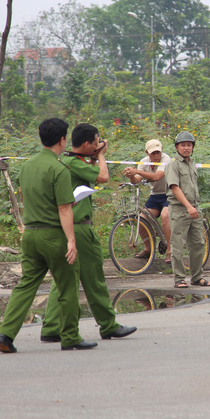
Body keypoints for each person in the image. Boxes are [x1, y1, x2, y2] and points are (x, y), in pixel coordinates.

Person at [0, 118, 96, 353]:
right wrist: (71, 240)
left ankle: (6, 333)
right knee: (68, 284)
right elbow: (64, 208)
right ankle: (70, 336)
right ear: (62, 140)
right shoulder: (58, 168)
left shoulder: (28, 165)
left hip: (30, 235)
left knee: (26, 285)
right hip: (52, 235)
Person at [41, 123, 136, 343]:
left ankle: (52, 326)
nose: (98, 143)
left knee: (63, 280)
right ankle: (108, 325)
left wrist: (93, 156)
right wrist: (101, 156)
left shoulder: (66, 160)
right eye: (96, 141)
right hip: (80, 228)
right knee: (94, 279)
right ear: (86, 144)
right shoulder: (73, 162)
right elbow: (103, 177)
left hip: (64, 227)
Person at [165, 131, 210, 288]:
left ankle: (197, 277)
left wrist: (194, 207)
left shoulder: (192, 163)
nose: (186, 148)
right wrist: (188, 206)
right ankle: (179, 278)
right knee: (178, 245)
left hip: (195, 208)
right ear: (177, 147)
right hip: (180, 209)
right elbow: (174, 187)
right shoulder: (173, 164)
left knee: (198, 244)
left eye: (189, 145)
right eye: (183, 145)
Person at [122, 139, 173, 263]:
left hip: (169, 193)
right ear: (147, 153)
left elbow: (157, 176)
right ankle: (149, 249)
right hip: (155, 195)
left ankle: (170, 251)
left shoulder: (166, 159)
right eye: (153, 153)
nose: (156, 156)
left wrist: (137, 171)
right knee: (142, 218)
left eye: (158, 152)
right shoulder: (144, 162)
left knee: (165, 216)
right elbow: (137, 180)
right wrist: (131, 176)